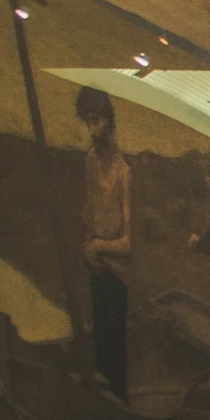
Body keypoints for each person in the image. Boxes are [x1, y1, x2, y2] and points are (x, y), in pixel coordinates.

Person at [75, 85, 131, 402]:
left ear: (110, 121)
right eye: (88, 122)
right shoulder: (90, 162)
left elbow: (127, 244)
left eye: (97, 121)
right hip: (96, 270)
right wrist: (87, 243)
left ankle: (120, 408)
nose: (93, 130)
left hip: (116, 276)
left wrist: (96, 245)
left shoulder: (125, 173)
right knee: (99, 348)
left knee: (114, 352)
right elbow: (88, 212)